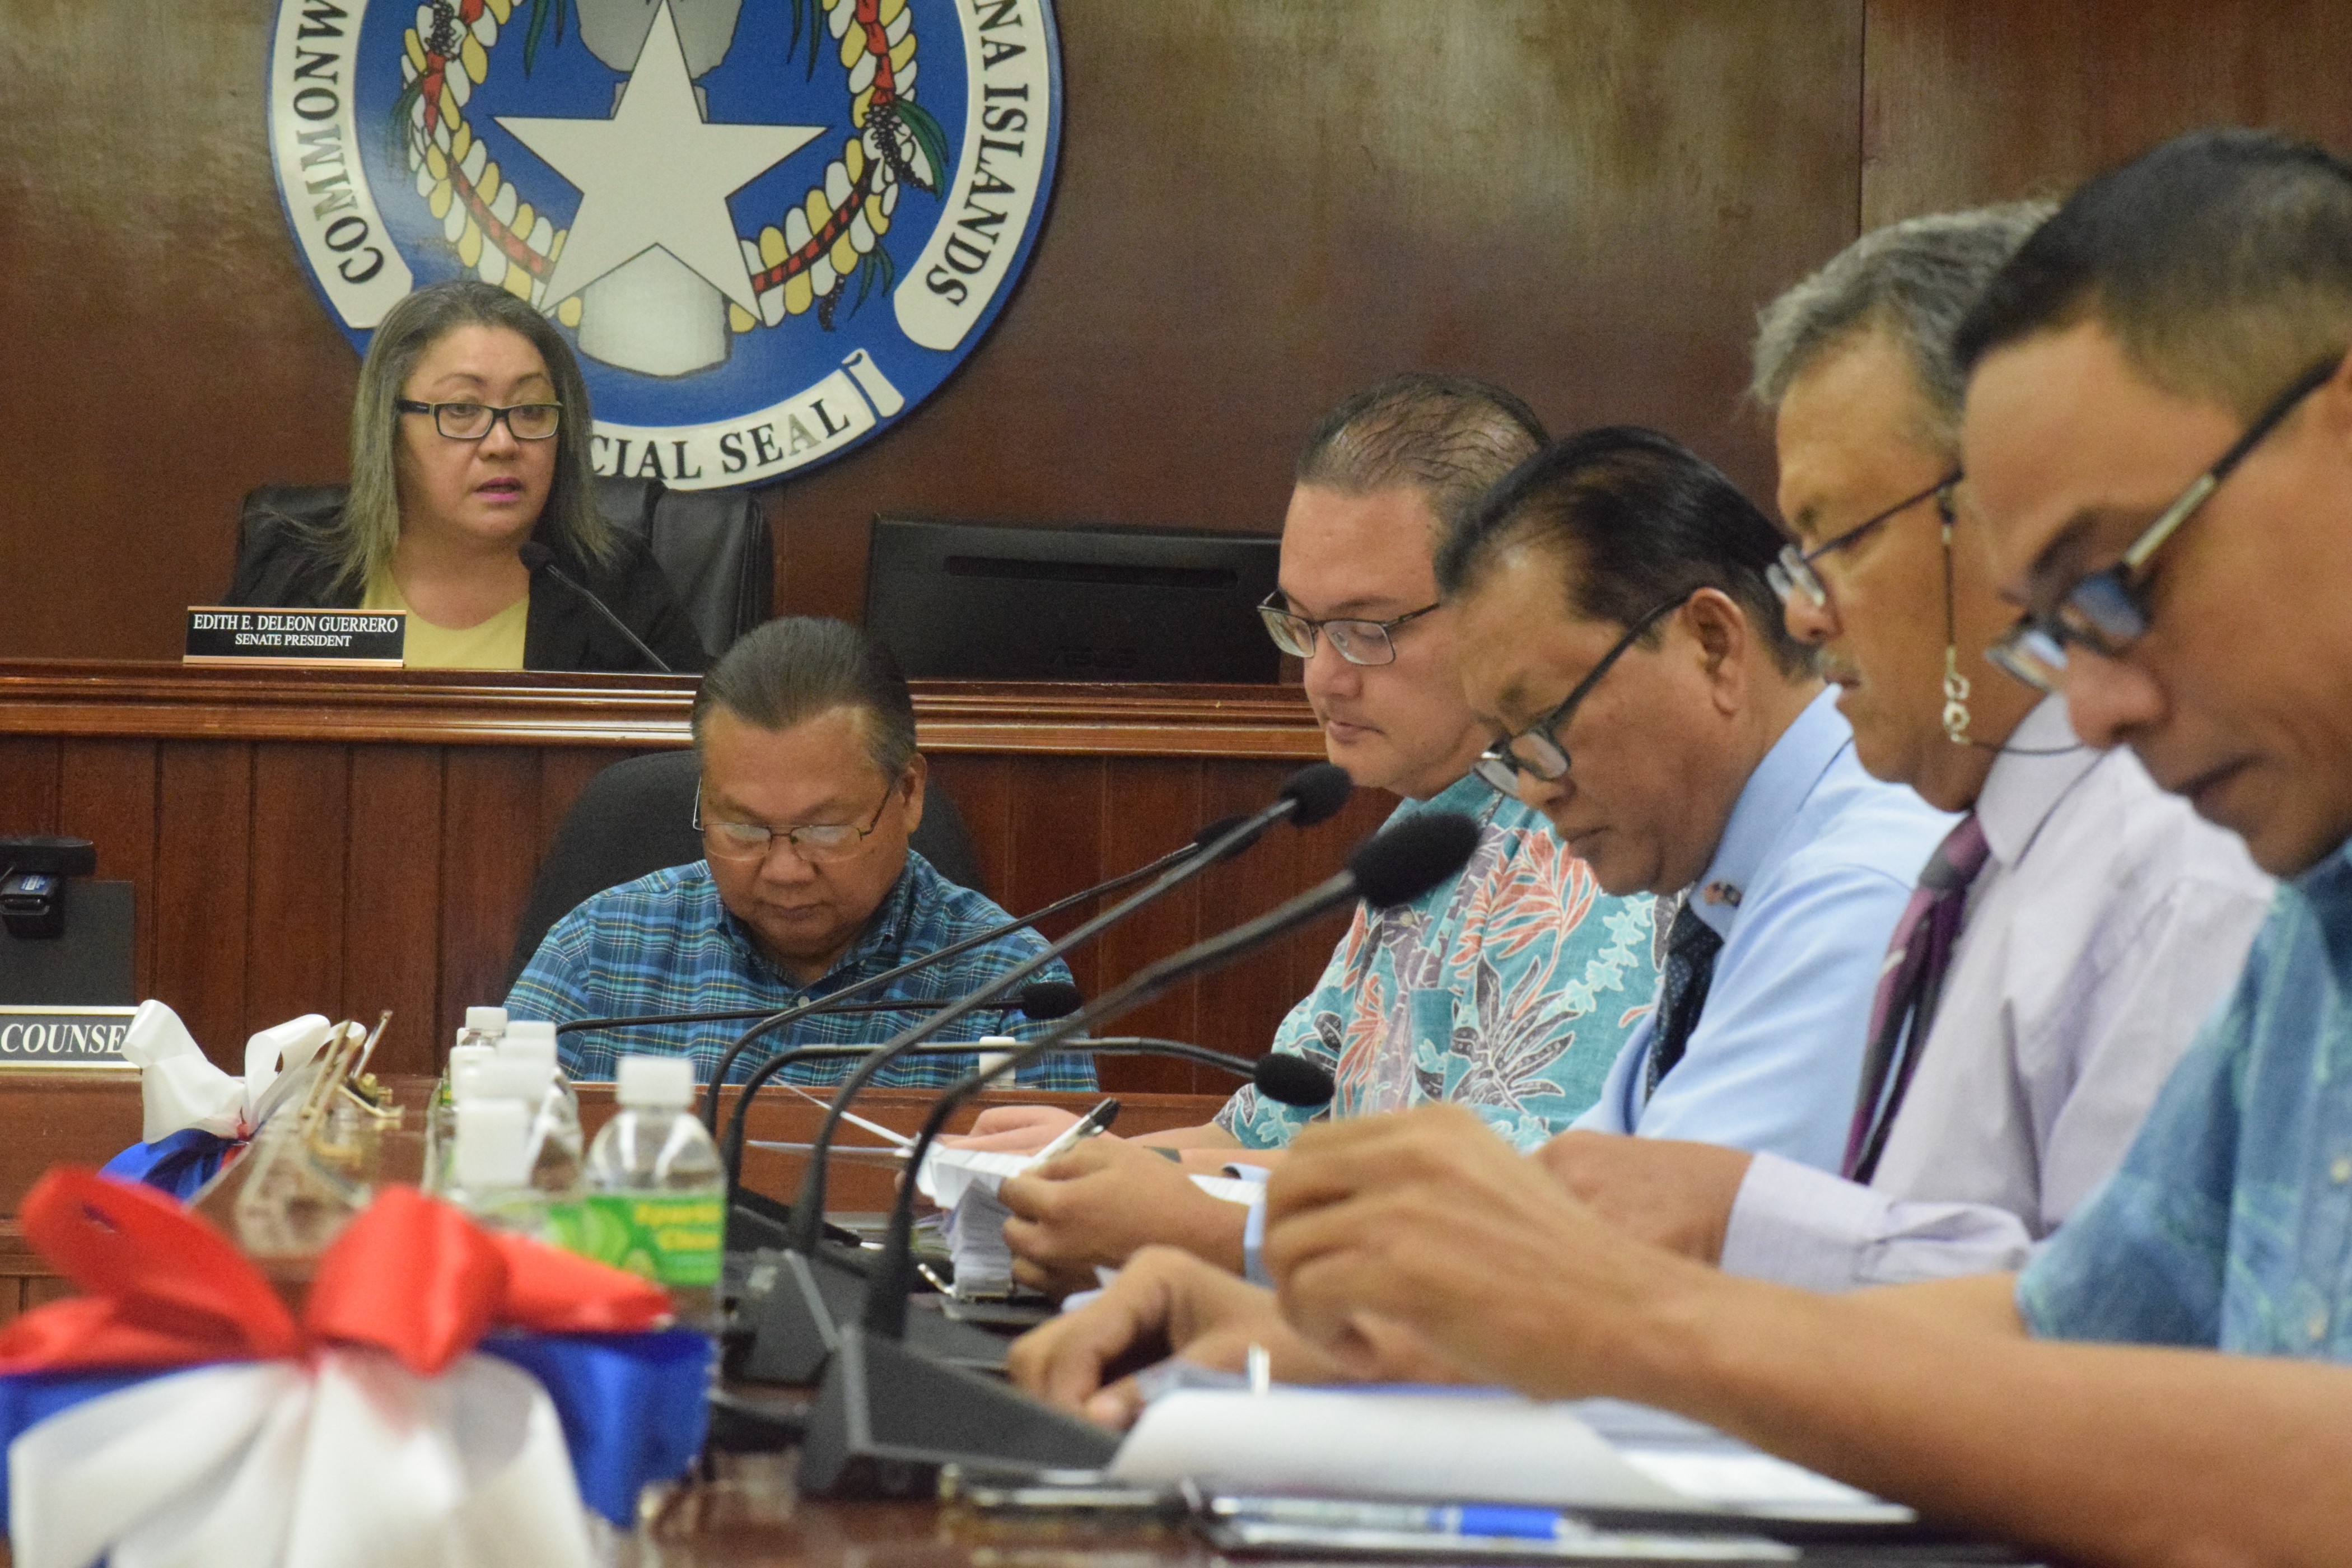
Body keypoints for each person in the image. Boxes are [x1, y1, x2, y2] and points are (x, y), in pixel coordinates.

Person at [1014, 129, 2352, 1568]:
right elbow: (2069, 1326)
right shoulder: (2305, 915)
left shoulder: (2176, 865)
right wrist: (1344, 1340)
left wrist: (1639, 1317)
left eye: (2110, 576)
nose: (2087, 697)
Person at [1539, 207, 2272, 1288]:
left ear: (2019, 507)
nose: (1807, 615)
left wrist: (1730, 1221)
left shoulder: (2180, 862)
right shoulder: (1986, 852)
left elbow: (2121, 1355)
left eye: (1839, 541)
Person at [948, 375, 1661, 1292]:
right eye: (1304, 624)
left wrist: (1150, 1196)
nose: (1322, 678)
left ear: (1513, 597)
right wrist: (1094, 1168)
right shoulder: (1431, 831)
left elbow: (1507, 1210)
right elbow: (1257, 1146)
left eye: (1366, 629)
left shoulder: (1590, 853)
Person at [1445, 427, 1952, 1166]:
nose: (1534, 787)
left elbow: (1646, 1246)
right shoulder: (1734, 888)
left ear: (1713, 643)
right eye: (1508, 746)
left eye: (1548, 722)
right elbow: (1585, 1186)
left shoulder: (1855, 884)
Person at [509, 615, 1092, 1091]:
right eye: (743, 828)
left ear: (909, 793)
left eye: (825, 830)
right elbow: (483, 1173)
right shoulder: (595, 953)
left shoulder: (1012, 987)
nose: (785, 871)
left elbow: (1055, 1217)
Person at [228, 278, 708, 673]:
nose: (503, 444)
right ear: (390, 431)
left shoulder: (615, 595)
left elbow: (690, 765)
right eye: (461, 409)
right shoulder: (288, 574)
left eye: (531, 410)